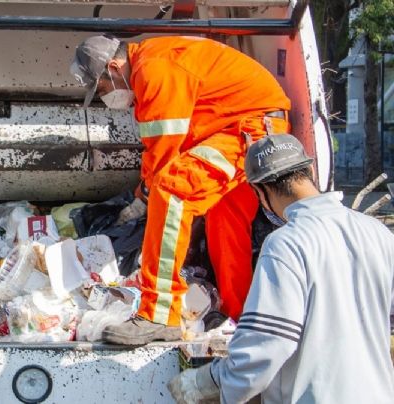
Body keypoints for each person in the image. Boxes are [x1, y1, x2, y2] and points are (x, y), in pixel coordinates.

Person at [70, 35, 291, 344]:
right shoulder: (152, 63)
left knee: (173, 191)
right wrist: (140, 197)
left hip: (248, 131)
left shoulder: (154, 69)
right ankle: (237, 317)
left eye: (103, 88)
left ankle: (160, 315)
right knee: (225, 224)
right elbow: (157, 149)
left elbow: (164, 156)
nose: (106, 96)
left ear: (114, 67)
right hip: (249, 129)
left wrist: (146, 200)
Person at [167, 134, 394, 403]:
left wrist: (204, 382)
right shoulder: (377, 232)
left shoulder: (286, 243)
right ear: (309, 171)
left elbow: (265, 345)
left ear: (260, 192)